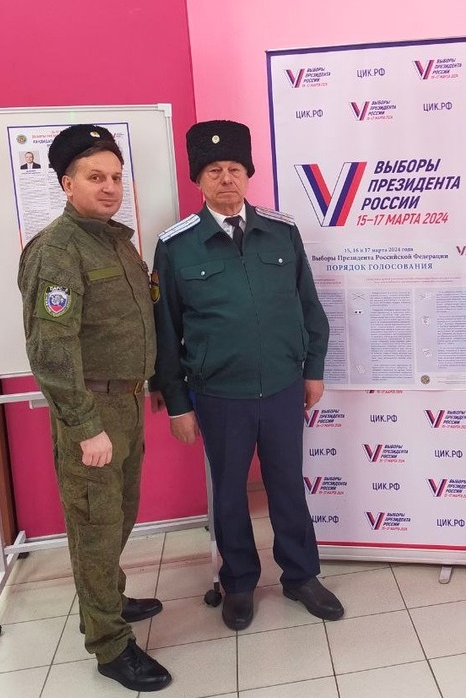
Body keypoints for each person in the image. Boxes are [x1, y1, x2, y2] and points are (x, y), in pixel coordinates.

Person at [151, 120, 343, 631]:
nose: (226, 179)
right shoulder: (177, 246)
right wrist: (177, 403)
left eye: (234, 168)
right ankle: (238, 582)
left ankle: (301, 575)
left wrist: (314, 370)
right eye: (214, 170)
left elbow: (309, 306)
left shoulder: (281, 231)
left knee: (288, 486)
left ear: (248, 173)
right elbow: (166, 331)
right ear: (198, 179)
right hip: (219, 394)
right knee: (230, 494)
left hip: (282, 387)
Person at [18, 125, 171, 692]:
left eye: (115, 177)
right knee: (94, 528)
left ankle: (107, 599)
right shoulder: (58, 252)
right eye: (95, 177)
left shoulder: (115, 241)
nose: (109, 187)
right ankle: (109, 645)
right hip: (93, 413)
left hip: (125, 404)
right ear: (67, 184)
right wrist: (85, 427)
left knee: (119, 516)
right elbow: (51, 351)